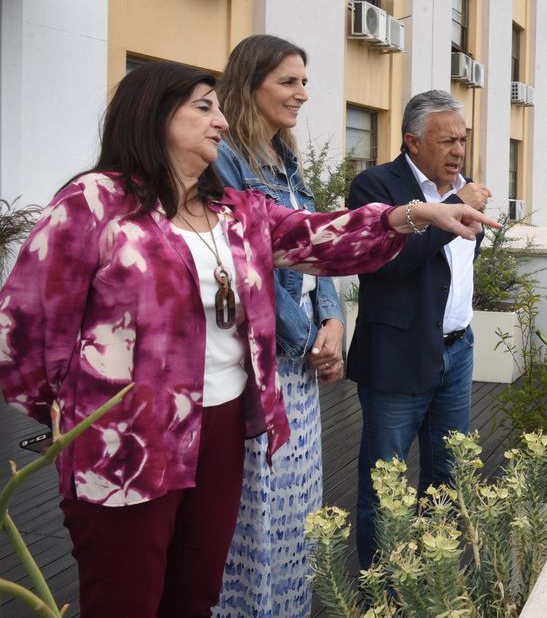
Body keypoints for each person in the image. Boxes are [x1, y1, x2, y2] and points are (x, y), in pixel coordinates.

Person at [0, 62, 497, 618]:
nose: (221, 121)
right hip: (127, 440)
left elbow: (319, 237)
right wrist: (76, 415)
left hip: (222, 427)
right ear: (155, 114)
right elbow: (24, 329)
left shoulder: (234, 210)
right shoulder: (94, 202)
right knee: (126, 599)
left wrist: (413, 215)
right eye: (205, 108)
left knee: (196, 593)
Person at [210, 35, 342, 618]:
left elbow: (313, 243)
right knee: (255, 515)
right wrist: (305, 337)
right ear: (248, 84)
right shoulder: (225, 160)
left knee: (295, 514)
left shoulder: (285, 158)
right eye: (289, 82)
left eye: (303, 82)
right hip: (261, 363)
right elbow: (247, 265)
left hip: (301, 362)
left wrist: (334, 320)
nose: (302, 94)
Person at [347, 90, 491, 568]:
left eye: (462, 140)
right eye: (446, 141)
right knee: (384, 486)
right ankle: (379, 590)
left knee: (448, 478)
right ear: (412, 141)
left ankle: (436, 580)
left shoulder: (462, 186)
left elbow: (458, 261)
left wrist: (458, 205)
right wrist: (453, 208)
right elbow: (388, 264)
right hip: (398, 354)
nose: (458, 151)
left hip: (457, 350)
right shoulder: (374, 186)